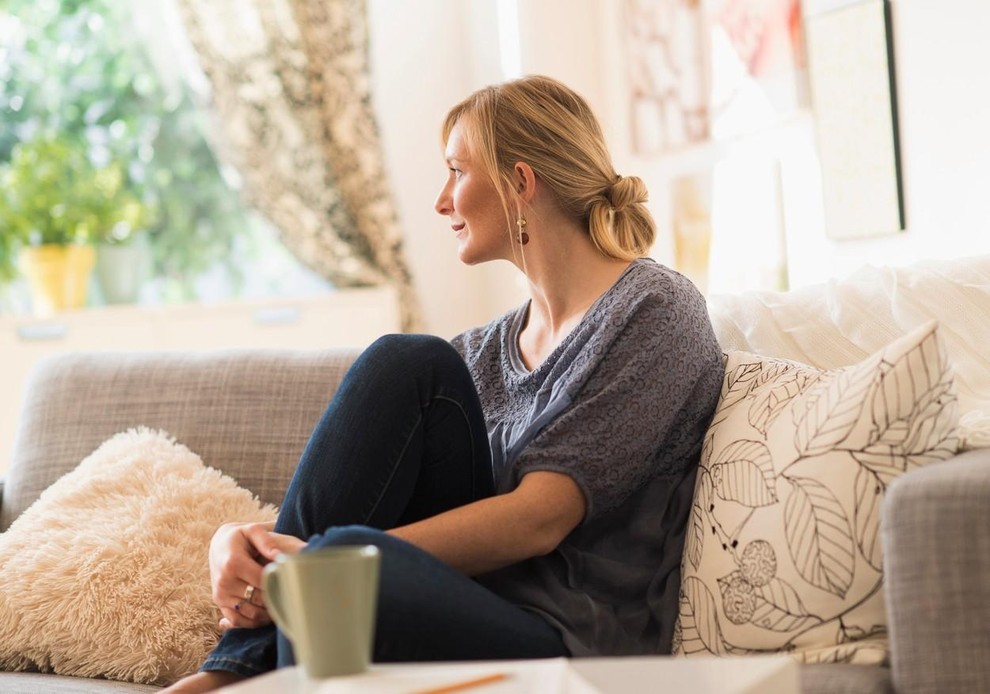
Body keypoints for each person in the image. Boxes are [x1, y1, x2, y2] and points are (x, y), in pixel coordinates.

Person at [165, 75, 723, 692]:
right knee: (407, 361)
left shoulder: (655, 310)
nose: (441, 201)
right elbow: (337, 508)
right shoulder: (476, 355)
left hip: (567, 640)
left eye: (456, 170)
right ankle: (232, 671)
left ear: (520, 183)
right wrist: (237, 545)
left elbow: (542, 518)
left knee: (342, 553)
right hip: (457, 598)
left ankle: (232, 678)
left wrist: (335, 564)